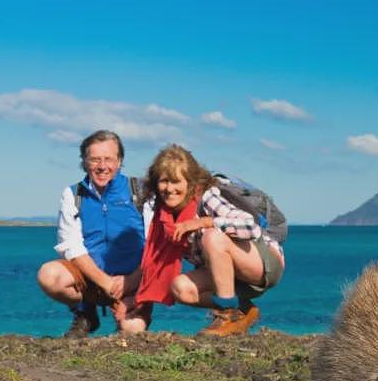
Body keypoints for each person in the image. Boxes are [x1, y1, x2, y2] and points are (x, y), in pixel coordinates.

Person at [136, 144, 284, 336]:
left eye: (176, 181)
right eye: (164, 181)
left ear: (189, 183)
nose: (169, 189)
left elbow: (250, 226)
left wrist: (203, 222)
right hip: (227, 274)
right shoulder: (162, 216)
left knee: (212, 237)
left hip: (262, 263)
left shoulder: (207, 197)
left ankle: (228, 316)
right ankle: (242, 311)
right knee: (180, 287)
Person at [37, 130, 151, 337]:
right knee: (50, 275)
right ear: (84, 161)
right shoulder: (73, 194)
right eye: (95, 159)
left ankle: (125, 310)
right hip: (92, 281)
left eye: (108, 159)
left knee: (132, 331)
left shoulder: (141, 191)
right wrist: (105, 282)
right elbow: (70, 246)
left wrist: (132, 281)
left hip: (135, 281)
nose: (102, 166)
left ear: (119, 161)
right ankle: (86, 312)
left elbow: (155, 244)